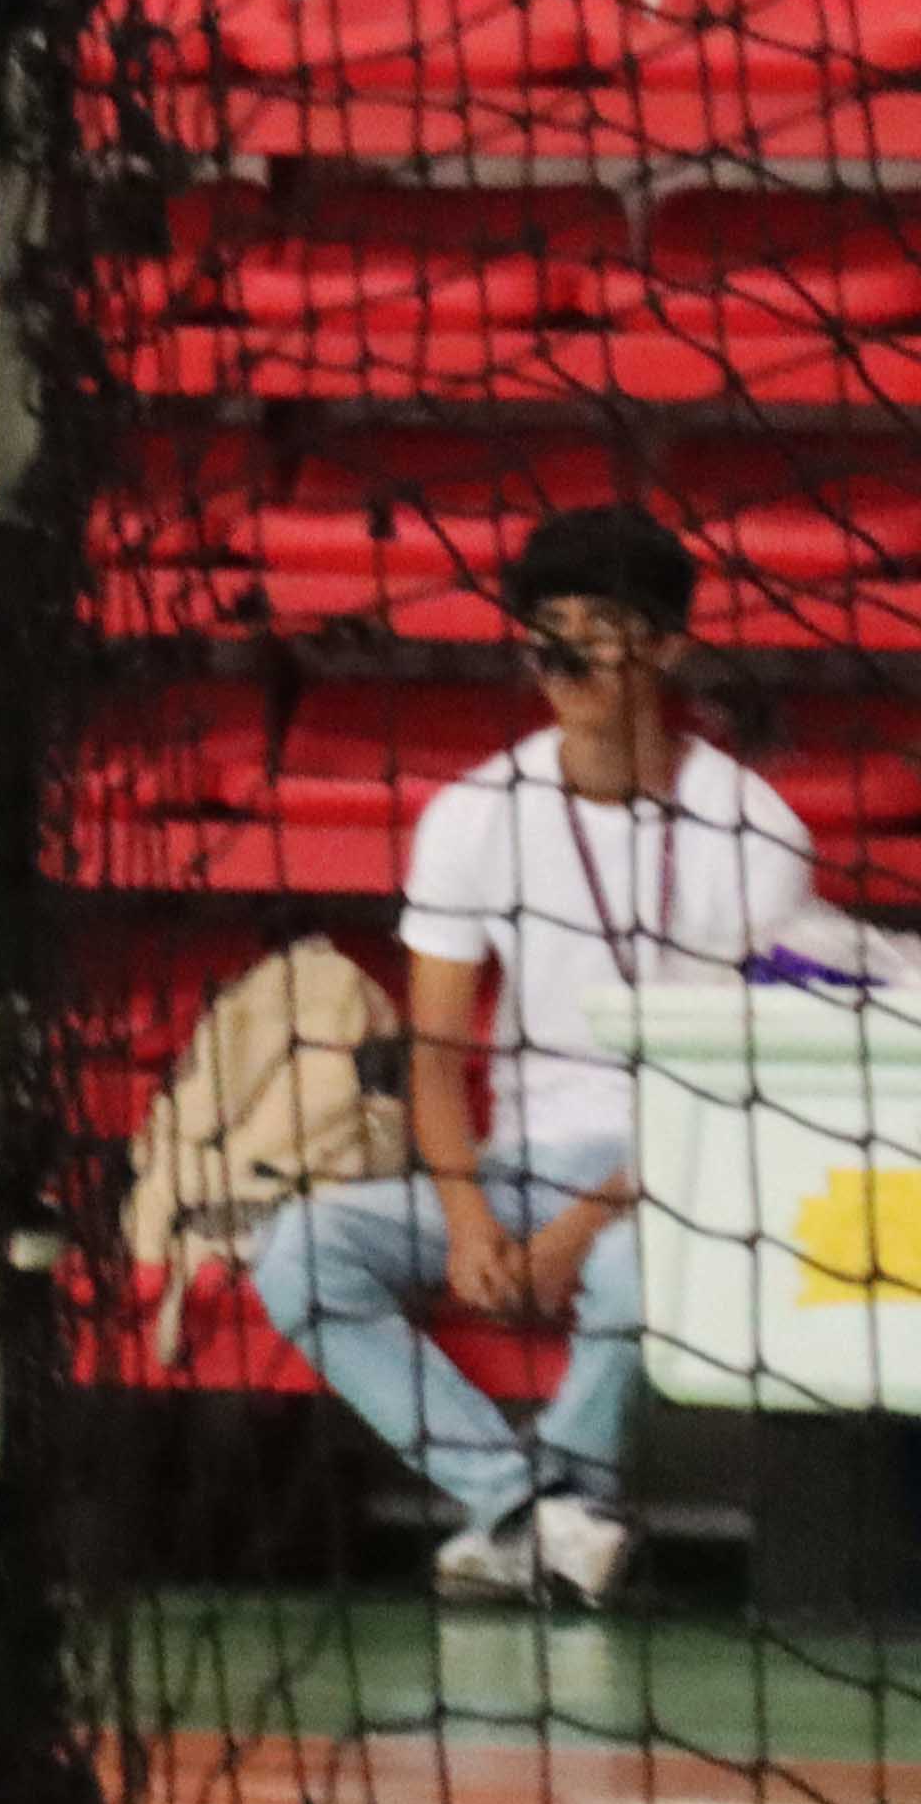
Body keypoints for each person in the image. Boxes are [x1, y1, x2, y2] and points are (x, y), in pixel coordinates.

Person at [249, 504, 816, 1613]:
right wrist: (466, 1216)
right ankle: (534, 1507)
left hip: (678, 1174)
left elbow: (744, 1091)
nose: (561, 652)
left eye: (595, 625)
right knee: (298, 1251)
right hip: (513, 1163)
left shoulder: (751, 829)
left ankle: (537, 1515)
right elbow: (433, 1046)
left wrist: (582, 1220)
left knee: (631, 1273)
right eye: (543, 626)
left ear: (663, 644)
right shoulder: (475, 813)